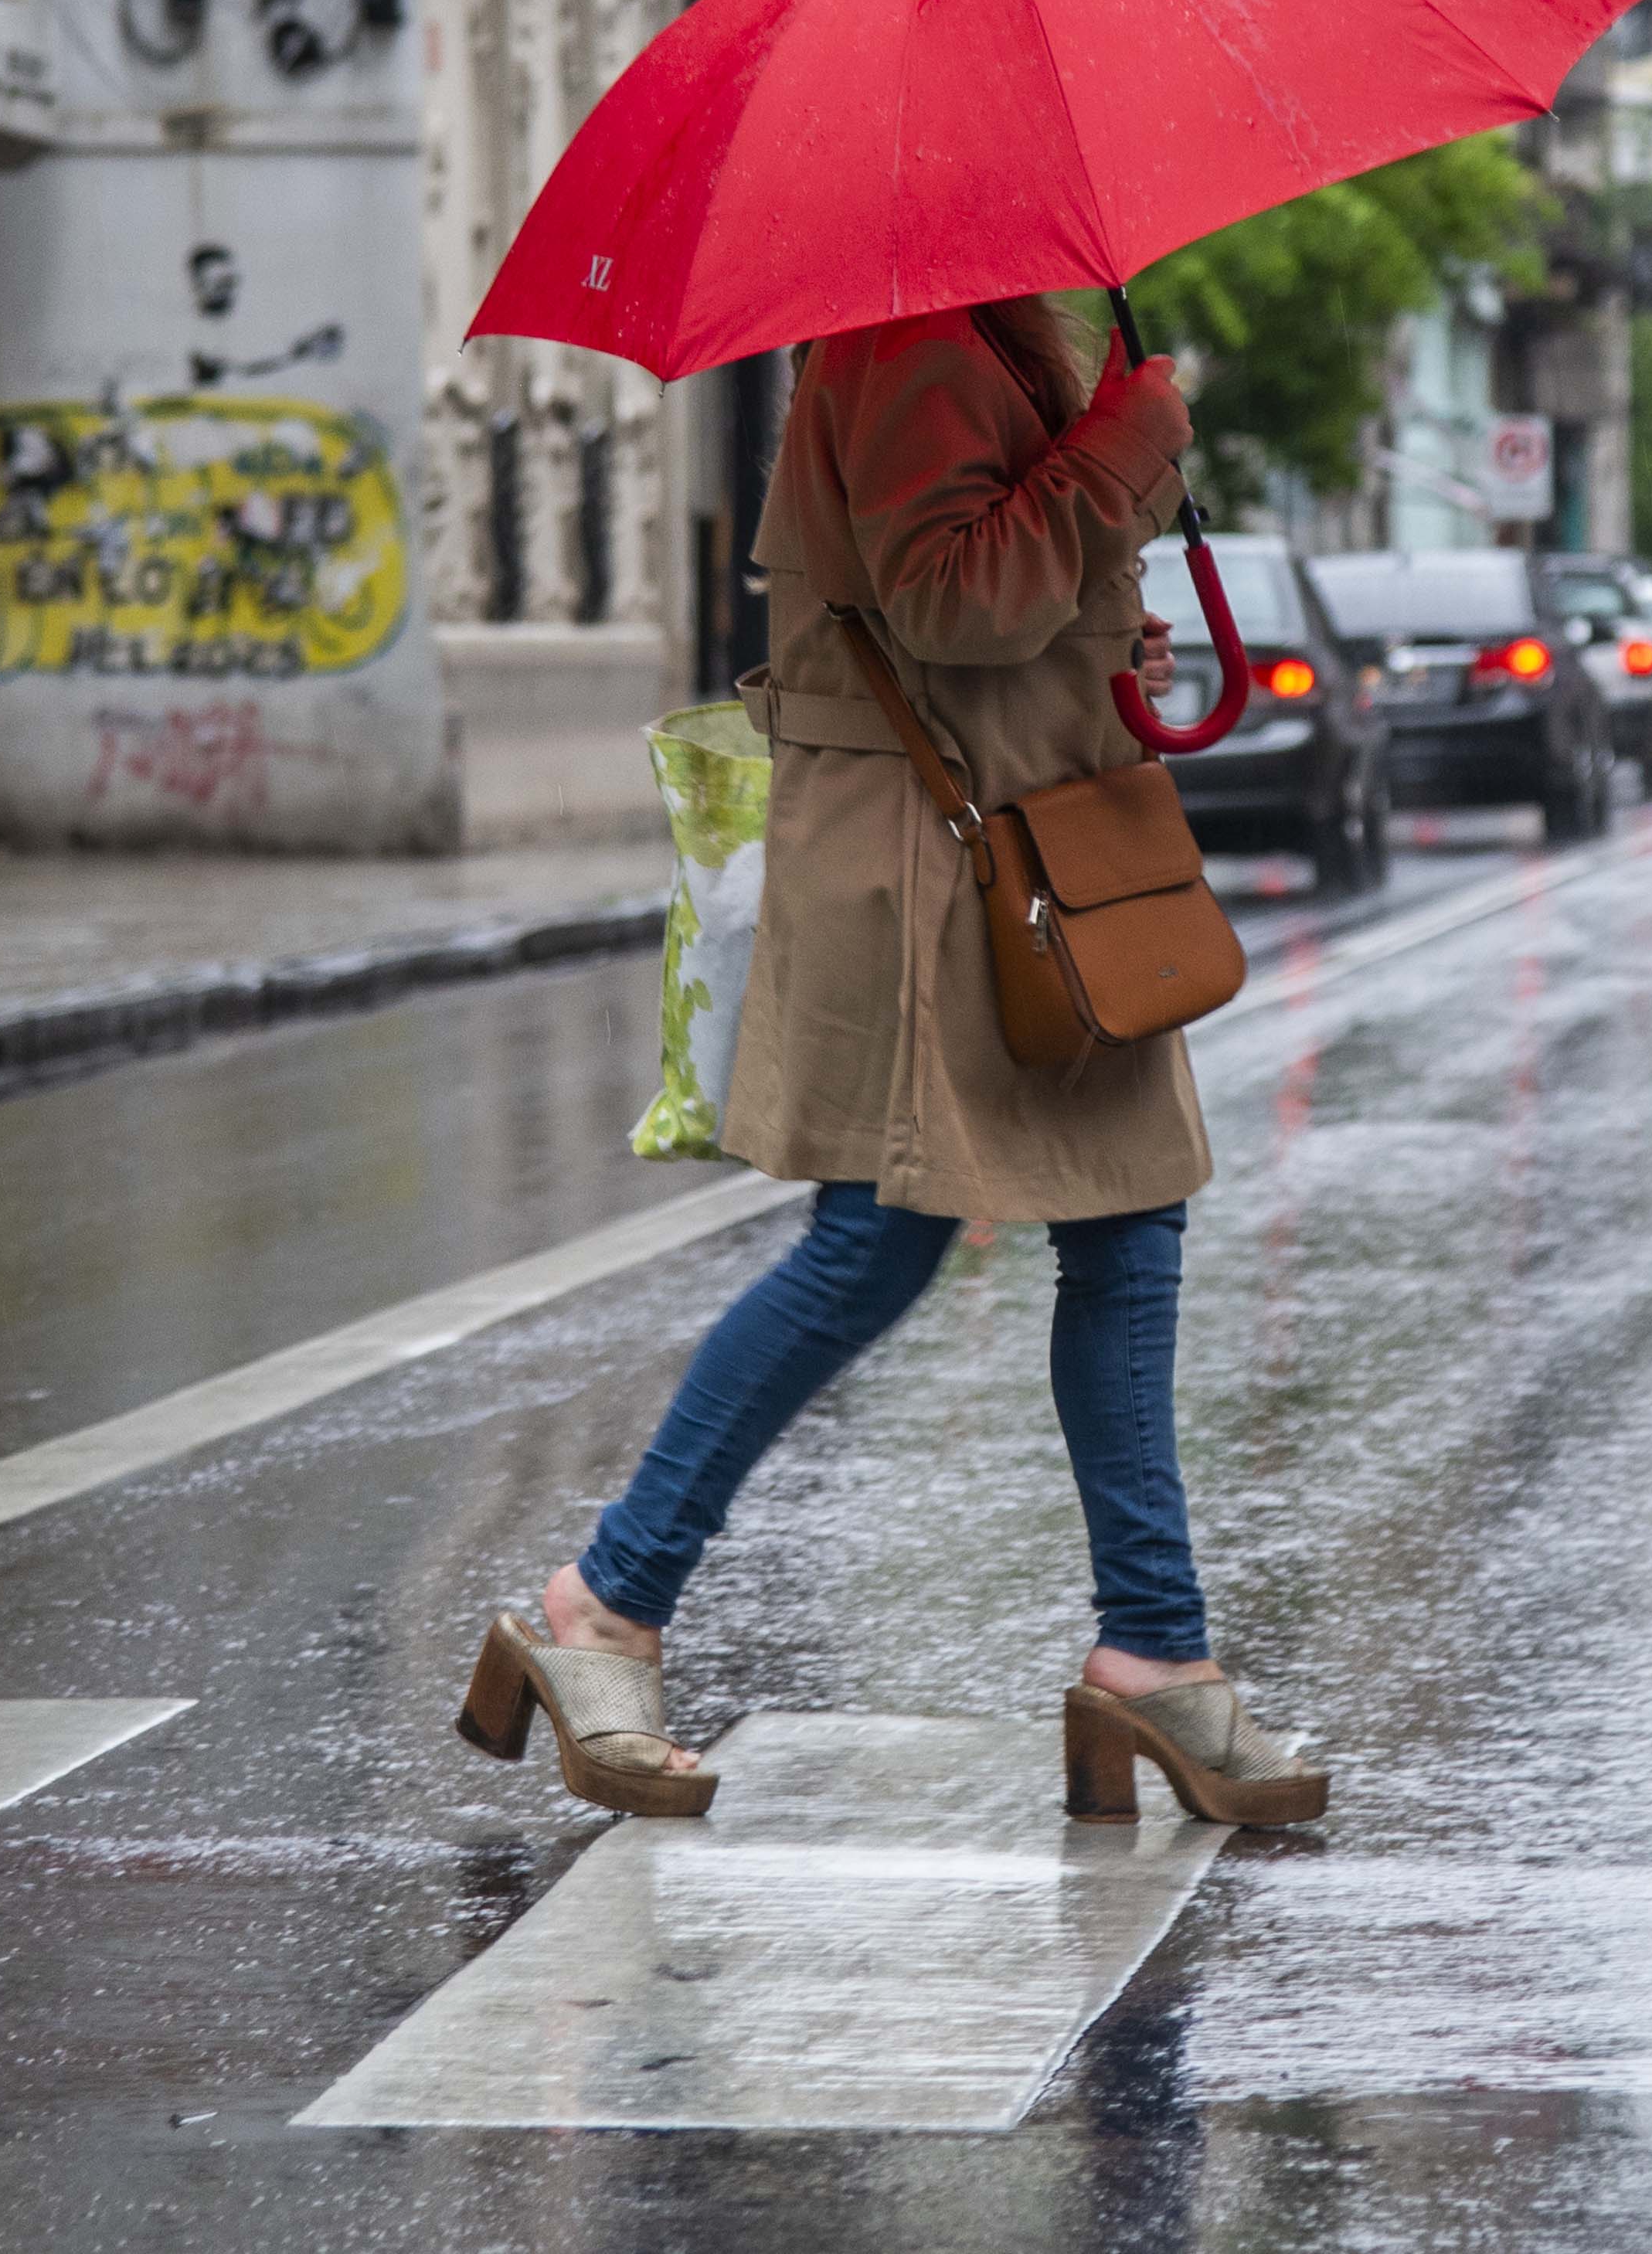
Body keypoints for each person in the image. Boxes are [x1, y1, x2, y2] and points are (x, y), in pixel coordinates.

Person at [451, 297, 1326, 1833]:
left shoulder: (993, 334)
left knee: (1124, 1224)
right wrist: (1122, 456)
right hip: (942, 870)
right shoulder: (911, 341)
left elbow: (999, 587)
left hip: (1033, 851)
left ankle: (1152, 1643)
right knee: (875, 1237)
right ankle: (604, 1600)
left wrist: (1110, 608)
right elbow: (946, 602)